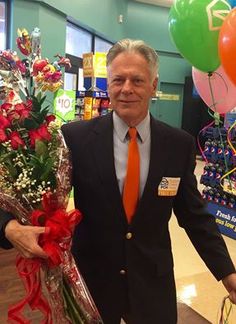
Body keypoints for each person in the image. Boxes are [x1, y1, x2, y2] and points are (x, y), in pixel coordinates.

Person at [1, 39, 236, 324]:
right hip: (92, 283)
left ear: (154, 84)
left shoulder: (178, 145)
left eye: (137, 80)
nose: (127, 89)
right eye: (118, 80)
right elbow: (34, 196)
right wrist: (10, 227)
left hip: (153, 283)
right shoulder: (74, 138)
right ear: (108, 84)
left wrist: (227, 272)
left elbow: (194, 215)